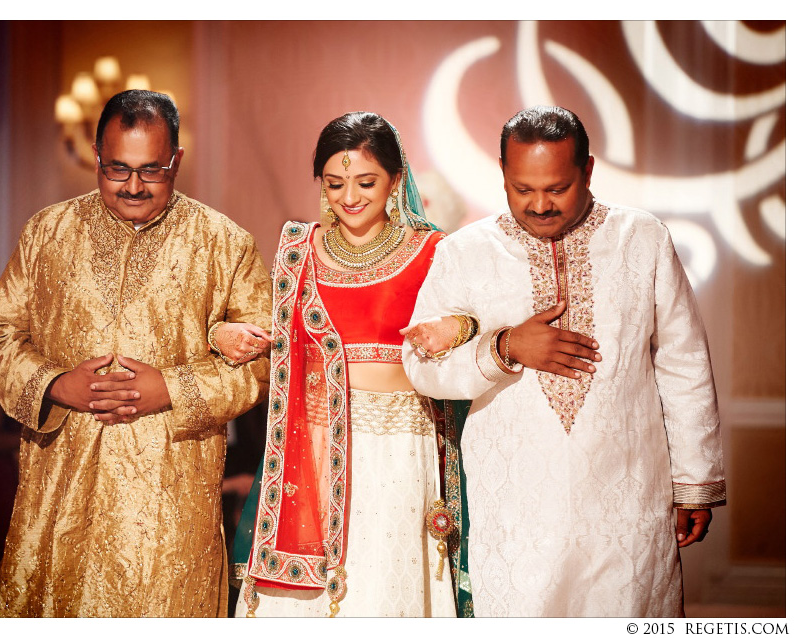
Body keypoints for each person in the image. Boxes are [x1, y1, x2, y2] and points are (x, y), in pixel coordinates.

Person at [401, 105, 725, 617]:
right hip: (517, 508)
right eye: (523, 189)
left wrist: (694, 481)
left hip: (628, 496)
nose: (540, 205)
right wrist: (504, 348)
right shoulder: (465, 252)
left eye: (557, 188)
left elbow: (684, 364)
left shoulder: (642, 239)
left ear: (588, 170)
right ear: (503, 174)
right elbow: (421, 367)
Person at [0, 90, 271, 617]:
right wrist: (54, 384)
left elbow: (263, 361)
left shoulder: (225, 244)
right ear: (96, 155)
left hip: (168, 494)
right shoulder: (47, 233)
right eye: (118, 169)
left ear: (176, 160)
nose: (133, 186)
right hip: (59, 486)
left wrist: (173, 388)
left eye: (151, 170)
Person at [229, 112, 472, 618]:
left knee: (384, 586)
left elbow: (475, 328)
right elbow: (271, 335)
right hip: (315, 445)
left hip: (400, 447)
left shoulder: (434, 251)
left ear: (396, 181)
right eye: (335, 183)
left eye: (366, 182)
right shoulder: (298, 251)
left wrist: (460, 330)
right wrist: (226, 334)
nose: (350, 196)